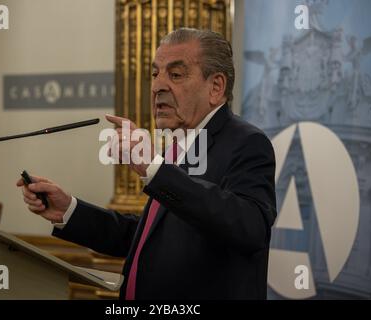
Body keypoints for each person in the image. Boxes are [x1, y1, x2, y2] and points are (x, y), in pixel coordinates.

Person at [17, 28, 276, 300]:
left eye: (175, 75)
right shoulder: (180, 146)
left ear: (216, 87)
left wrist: (154, 169)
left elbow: (251, 229)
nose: (157, 86)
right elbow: (147, 237)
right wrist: (69, 211)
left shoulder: (247, 143)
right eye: (155, 74)